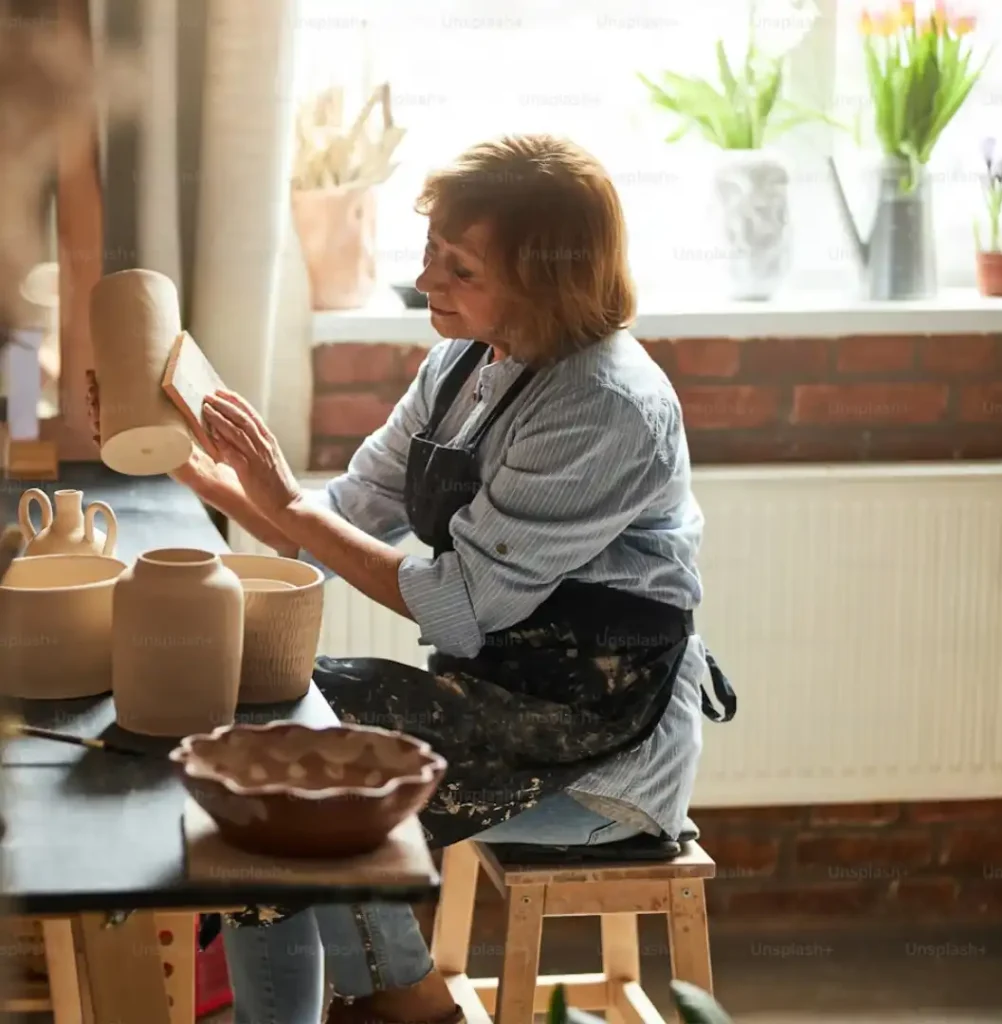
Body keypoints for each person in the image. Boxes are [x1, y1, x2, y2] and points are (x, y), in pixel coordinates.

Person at [91, 133, 735, 1024]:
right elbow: (349, 509)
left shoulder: (605, 406)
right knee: (260, 736)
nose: (429, 281)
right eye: (431, 252)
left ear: (547, 281)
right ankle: (381, 997)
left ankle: (399, 1002)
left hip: (595, 746)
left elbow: (461, 608)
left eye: (460, 267)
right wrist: (203, 467)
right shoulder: (466, 360)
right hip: (492, 701)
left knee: (288, 781)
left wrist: (287, 501)